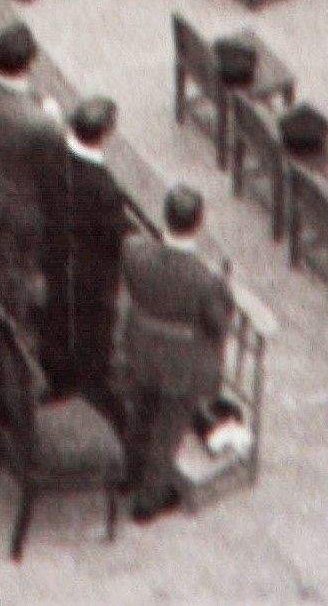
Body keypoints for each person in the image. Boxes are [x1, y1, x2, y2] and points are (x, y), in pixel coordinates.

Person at [109, 179, 238, 514]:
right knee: (167, 430)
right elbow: (220, 324)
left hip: (140, 349)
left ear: (164, 217)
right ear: (199, 223)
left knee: (140, 414)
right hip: (181, 365)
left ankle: (127, 476)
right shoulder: (205, 279)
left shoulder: (135, 251)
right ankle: (148, 501)